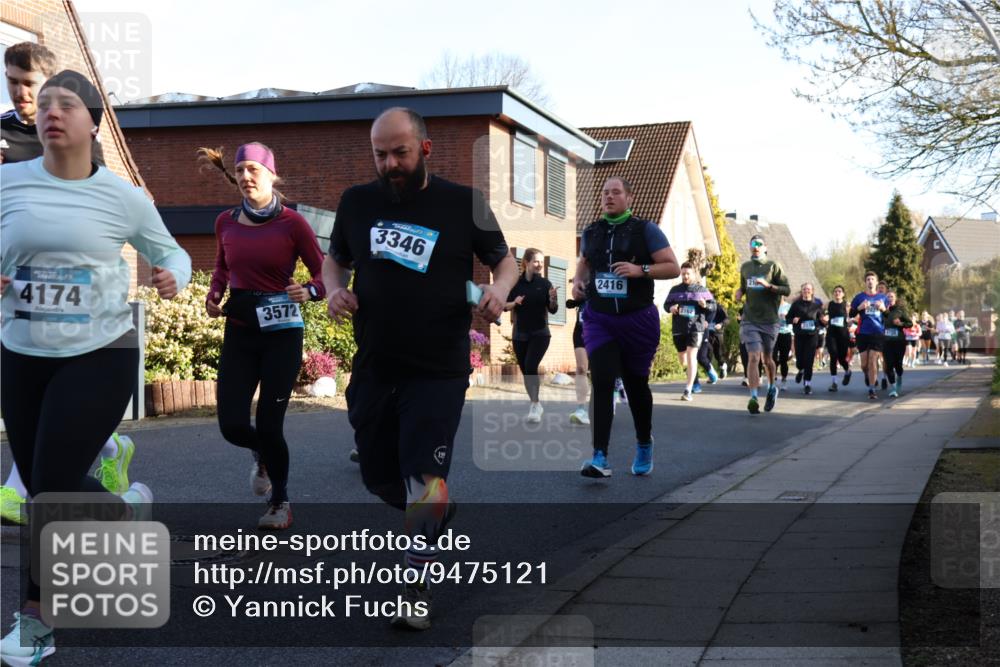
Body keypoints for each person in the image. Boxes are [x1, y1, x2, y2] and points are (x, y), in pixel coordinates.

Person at [0, 70, 191, 666]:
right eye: (44, 104)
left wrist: (172, 276)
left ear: (91, 121)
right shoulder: (6, 183)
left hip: (101, 355)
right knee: (39, 483)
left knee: (48, 491)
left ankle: (35, 619)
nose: (52, 111)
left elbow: (173, 252)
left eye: (67, 104)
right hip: (21, 354)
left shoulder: (122, 196)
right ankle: (124, 509)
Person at [323, 108, 516, 630]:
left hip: (439, 366)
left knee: (425, 477)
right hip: (376, 364)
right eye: (380, 154)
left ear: (425, 148)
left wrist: (497, 290)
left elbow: (505, 261)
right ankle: (434, 515)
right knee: (382, 477)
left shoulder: (462, 203)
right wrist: (335, 288)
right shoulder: (356, 202)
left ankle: (414, 587)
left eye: (400, 152)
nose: (390, 163)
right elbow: (335, 258)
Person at [0, 43, 125, 528]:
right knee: (39, 430)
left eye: (28, 83)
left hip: (76, 302)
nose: (18, 91)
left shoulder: (73, 137)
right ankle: (109, 457)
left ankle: (31, 494)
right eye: (11, 80)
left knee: (49, 458)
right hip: (18, 294)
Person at [200, 142, 326, 530]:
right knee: (232, 425)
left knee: (271, 424)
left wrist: (310, 291)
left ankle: (280, 502)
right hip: (240, 329)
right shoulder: (226, 222)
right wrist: (214, 292)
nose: (245, 177)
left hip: (282, 334)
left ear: (272, 174)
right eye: (239, 171)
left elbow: (325, 273)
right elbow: (222, 267)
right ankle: (262, 453)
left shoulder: (293, 224)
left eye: (253, 169)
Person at [573, 176, 679, 477]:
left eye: (615, 192)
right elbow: (584, 263)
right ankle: (599, 456)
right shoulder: (591, 231)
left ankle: (644, 442)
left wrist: (640, 269)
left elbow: (671, 265)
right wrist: (578, 282)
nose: (609, 197)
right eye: (605, 192)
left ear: (629, 198)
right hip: (600, 319)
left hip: (637, 319)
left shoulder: (646, 230)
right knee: (603, 379)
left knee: (635, 385)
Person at [734, 234, 790, 414]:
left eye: (759, 244)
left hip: (770, 321)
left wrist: (769, 286)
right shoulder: (745, 267)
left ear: (765, 247)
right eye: (753, 244)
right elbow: (743, 287)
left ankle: (772, 387)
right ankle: (753, 397)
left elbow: (786, 289)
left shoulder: (773, 266)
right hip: (750, 319)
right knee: (753, 357)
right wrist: (739, 292)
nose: (756, 247)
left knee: (767, 360)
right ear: (750, 247)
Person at [504, 248, 558, 422]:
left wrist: (553, 299)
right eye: (536, 261)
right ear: (526, 262)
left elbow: (553, 310)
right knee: (526, 370)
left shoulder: (545, 284)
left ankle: (534, 405)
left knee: (530, 365)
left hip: (541, 333)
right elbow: (505, 306)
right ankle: (535, 403)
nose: (540, 264)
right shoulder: (516, 284)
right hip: (520, 334)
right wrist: (515, 302)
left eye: (542, 261)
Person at [665, 262, 715, 401]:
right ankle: (693, 377)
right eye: (683, 274)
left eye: (688, 274)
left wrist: (705, 305)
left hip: (695, 328)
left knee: (692, 356)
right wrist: (671, 308)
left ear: (693, 274)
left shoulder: (701, 290)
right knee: (683, 359)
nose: (685, 276)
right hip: (679, 329)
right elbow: (666, 305)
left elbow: (713, 306)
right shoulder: (675, 290)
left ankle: (688, 389)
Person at [849, 271, 890, 399]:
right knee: (864, 364)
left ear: (876, 282)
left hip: (878, 333)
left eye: (872, 279)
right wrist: (859, 308)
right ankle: (868, 375)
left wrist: (883, 309)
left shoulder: (883, 298)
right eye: (868, 279)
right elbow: (851, 314)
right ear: (865, 282)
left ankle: (872, 389)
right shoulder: (859, 297)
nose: (870, 281)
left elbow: (890, 316)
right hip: (862, 333)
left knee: (873, 360)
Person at [787, 282, 827, 395]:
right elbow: (787, 318)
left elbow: (822, 321)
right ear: (802, 291)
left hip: (812, 336)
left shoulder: (817, 306)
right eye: (804, 289)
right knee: (800, 361)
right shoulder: (796, 305)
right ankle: (801, 370)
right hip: (799, 335)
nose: (806, 291)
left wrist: (824, 322)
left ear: (812, 291)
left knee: (809, 361)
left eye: (808, 289)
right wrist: (793, 320)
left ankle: (807, 384)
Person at [566, 293, 591, 425]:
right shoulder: (582, 277)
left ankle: (606, 404)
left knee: (601, 372)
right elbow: (576, 291)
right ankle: (581, 410)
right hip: (581, 330)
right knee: (581, 368)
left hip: (601, 330)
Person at [882, 290, 912, 398]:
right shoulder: (883, 310)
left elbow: (910, 323)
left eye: (891, 296)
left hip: (899, 342)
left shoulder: (900, 310)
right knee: (888, 365)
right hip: (886, 342)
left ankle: (899, 376)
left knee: (898, 365)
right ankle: (893, 388)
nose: (890, 298)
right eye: (888, 296)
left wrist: (901, 323)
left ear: (895, 298)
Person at [825, 285, 852, 391]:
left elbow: (854, 315)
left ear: (843, 294)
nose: (837, 293)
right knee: (833, 355)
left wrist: (851, 321)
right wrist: (823, 317)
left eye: (839, 291)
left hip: (843, 334)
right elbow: (819, 311)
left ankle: (847, 371)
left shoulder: (846, 305)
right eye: (835, 291)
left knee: (841, 358)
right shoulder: (829, 304)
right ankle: (834, 383)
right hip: (831, 333)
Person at [773, 297, 793, 389]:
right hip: (774, 335)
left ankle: (784, 379)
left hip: (786, 334)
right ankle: (772, 379)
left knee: (783, 359)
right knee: (772, 357)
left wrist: (785, 318)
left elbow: (793, 320)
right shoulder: (771, 306)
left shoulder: (789, 306)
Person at [708, 301, 729, 379]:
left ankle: (723, 366)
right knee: (707, 354)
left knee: (718, 355)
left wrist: (721, 324)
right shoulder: (701, 305)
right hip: (706, 333)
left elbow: (727, 319)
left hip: (717, 334)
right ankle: (711, 374)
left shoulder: (718, 306)